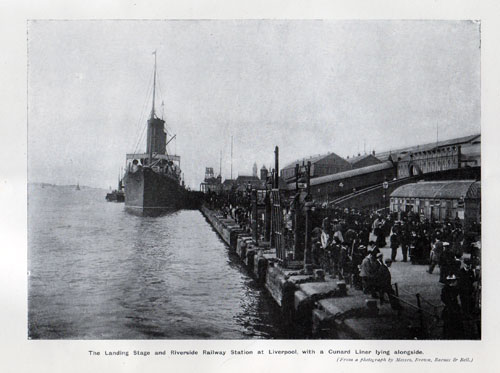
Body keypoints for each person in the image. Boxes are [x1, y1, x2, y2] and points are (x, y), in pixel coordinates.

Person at [441, 274, 464, 339]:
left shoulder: (453, 288)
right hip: (451, 309)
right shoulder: (447, 289)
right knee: (452, 322)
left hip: (452, 307)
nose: (457, 282)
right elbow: (445, 299)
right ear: (452, 282)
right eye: (455, 281)